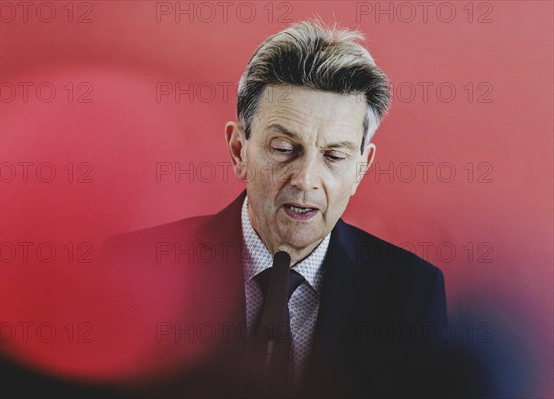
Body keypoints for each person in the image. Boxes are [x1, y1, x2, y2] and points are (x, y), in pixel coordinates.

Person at [102, 19, 447, 398]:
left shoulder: (411, 295)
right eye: (284, 149)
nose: (305, 179)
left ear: (361, 168)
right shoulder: (138, 267)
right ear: (239, 149)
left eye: (333, 155)